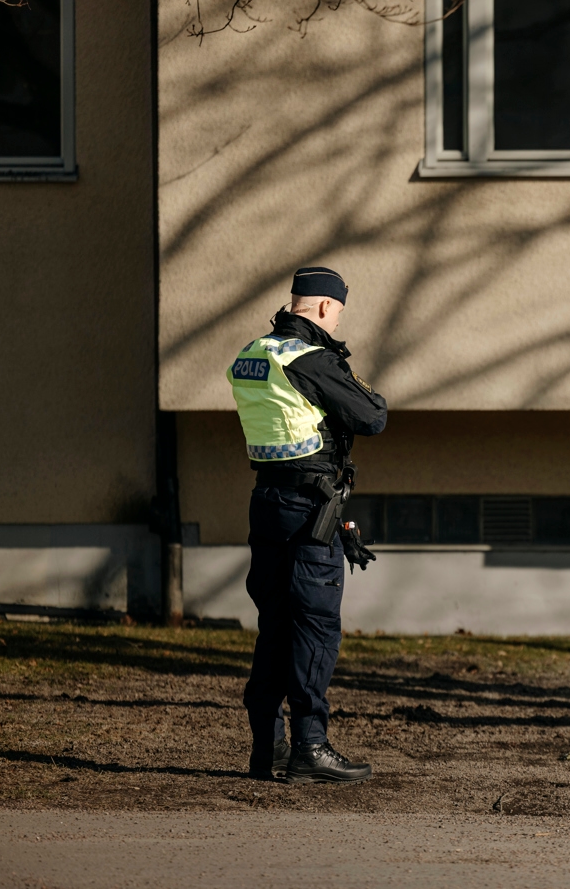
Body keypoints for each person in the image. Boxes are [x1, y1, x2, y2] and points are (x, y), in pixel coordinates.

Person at [226, 266, 387, 784]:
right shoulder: (313, 359)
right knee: (314, 627)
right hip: (308, 508)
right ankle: (310, 748)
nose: (338, 321)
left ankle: (266, 749)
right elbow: (373, 415)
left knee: (274, 625)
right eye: (337, 311)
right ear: (323, 307)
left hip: (268, 503)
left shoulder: (252, 354)